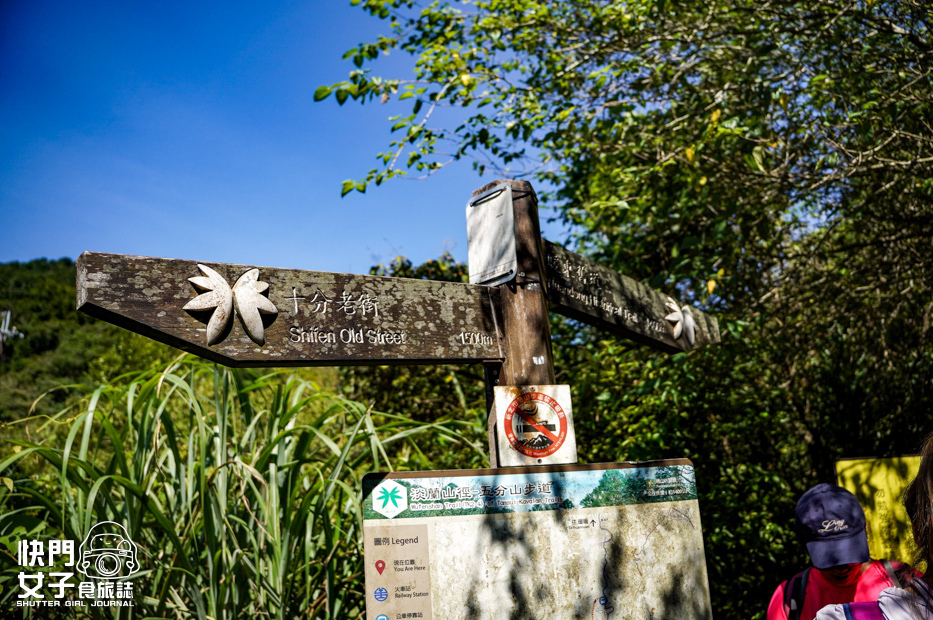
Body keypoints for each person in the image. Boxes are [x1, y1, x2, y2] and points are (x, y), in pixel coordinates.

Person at [815, 435, 933, 620]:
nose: (842, 566)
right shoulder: (793, 594)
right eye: (830, 555)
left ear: (866, 529)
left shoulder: (899, 574)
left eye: (848, 548)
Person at [767, 483, 910, 620]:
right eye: (830, 560)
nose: (841, 567)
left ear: (865, 530)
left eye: (849, 552)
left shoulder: (903, 580)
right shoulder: (789, 597)